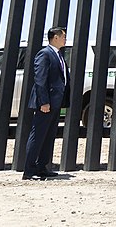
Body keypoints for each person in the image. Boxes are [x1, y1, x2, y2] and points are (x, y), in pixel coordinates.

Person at [23, 26, 71, 180]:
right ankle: (29, 171)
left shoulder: (58, 55)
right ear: (55, 37)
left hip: (55, 103)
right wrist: (44, 101)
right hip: (46, 103)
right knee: (37, 136)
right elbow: (40, 79)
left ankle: (42, 167)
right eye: (63, 36)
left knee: (48, 136)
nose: (65, 38)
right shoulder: (45, 54)